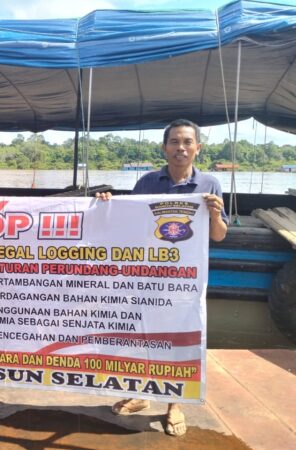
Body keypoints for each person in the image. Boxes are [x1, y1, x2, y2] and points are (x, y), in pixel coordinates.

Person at [96, 119, 228, 436]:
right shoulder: (147, 182)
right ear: (164, 147)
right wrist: (106, 206)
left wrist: (214, 214)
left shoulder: (209, 184)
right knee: (142, 336)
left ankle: (174, 404)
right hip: (148, 276)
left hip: (184, 280)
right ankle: (142, 393)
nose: (180, 148)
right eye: (174, 142)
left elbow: (219, 235)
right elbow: (128, 223)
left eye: (187, 142)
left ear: (198, 148)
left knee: (178, 340)